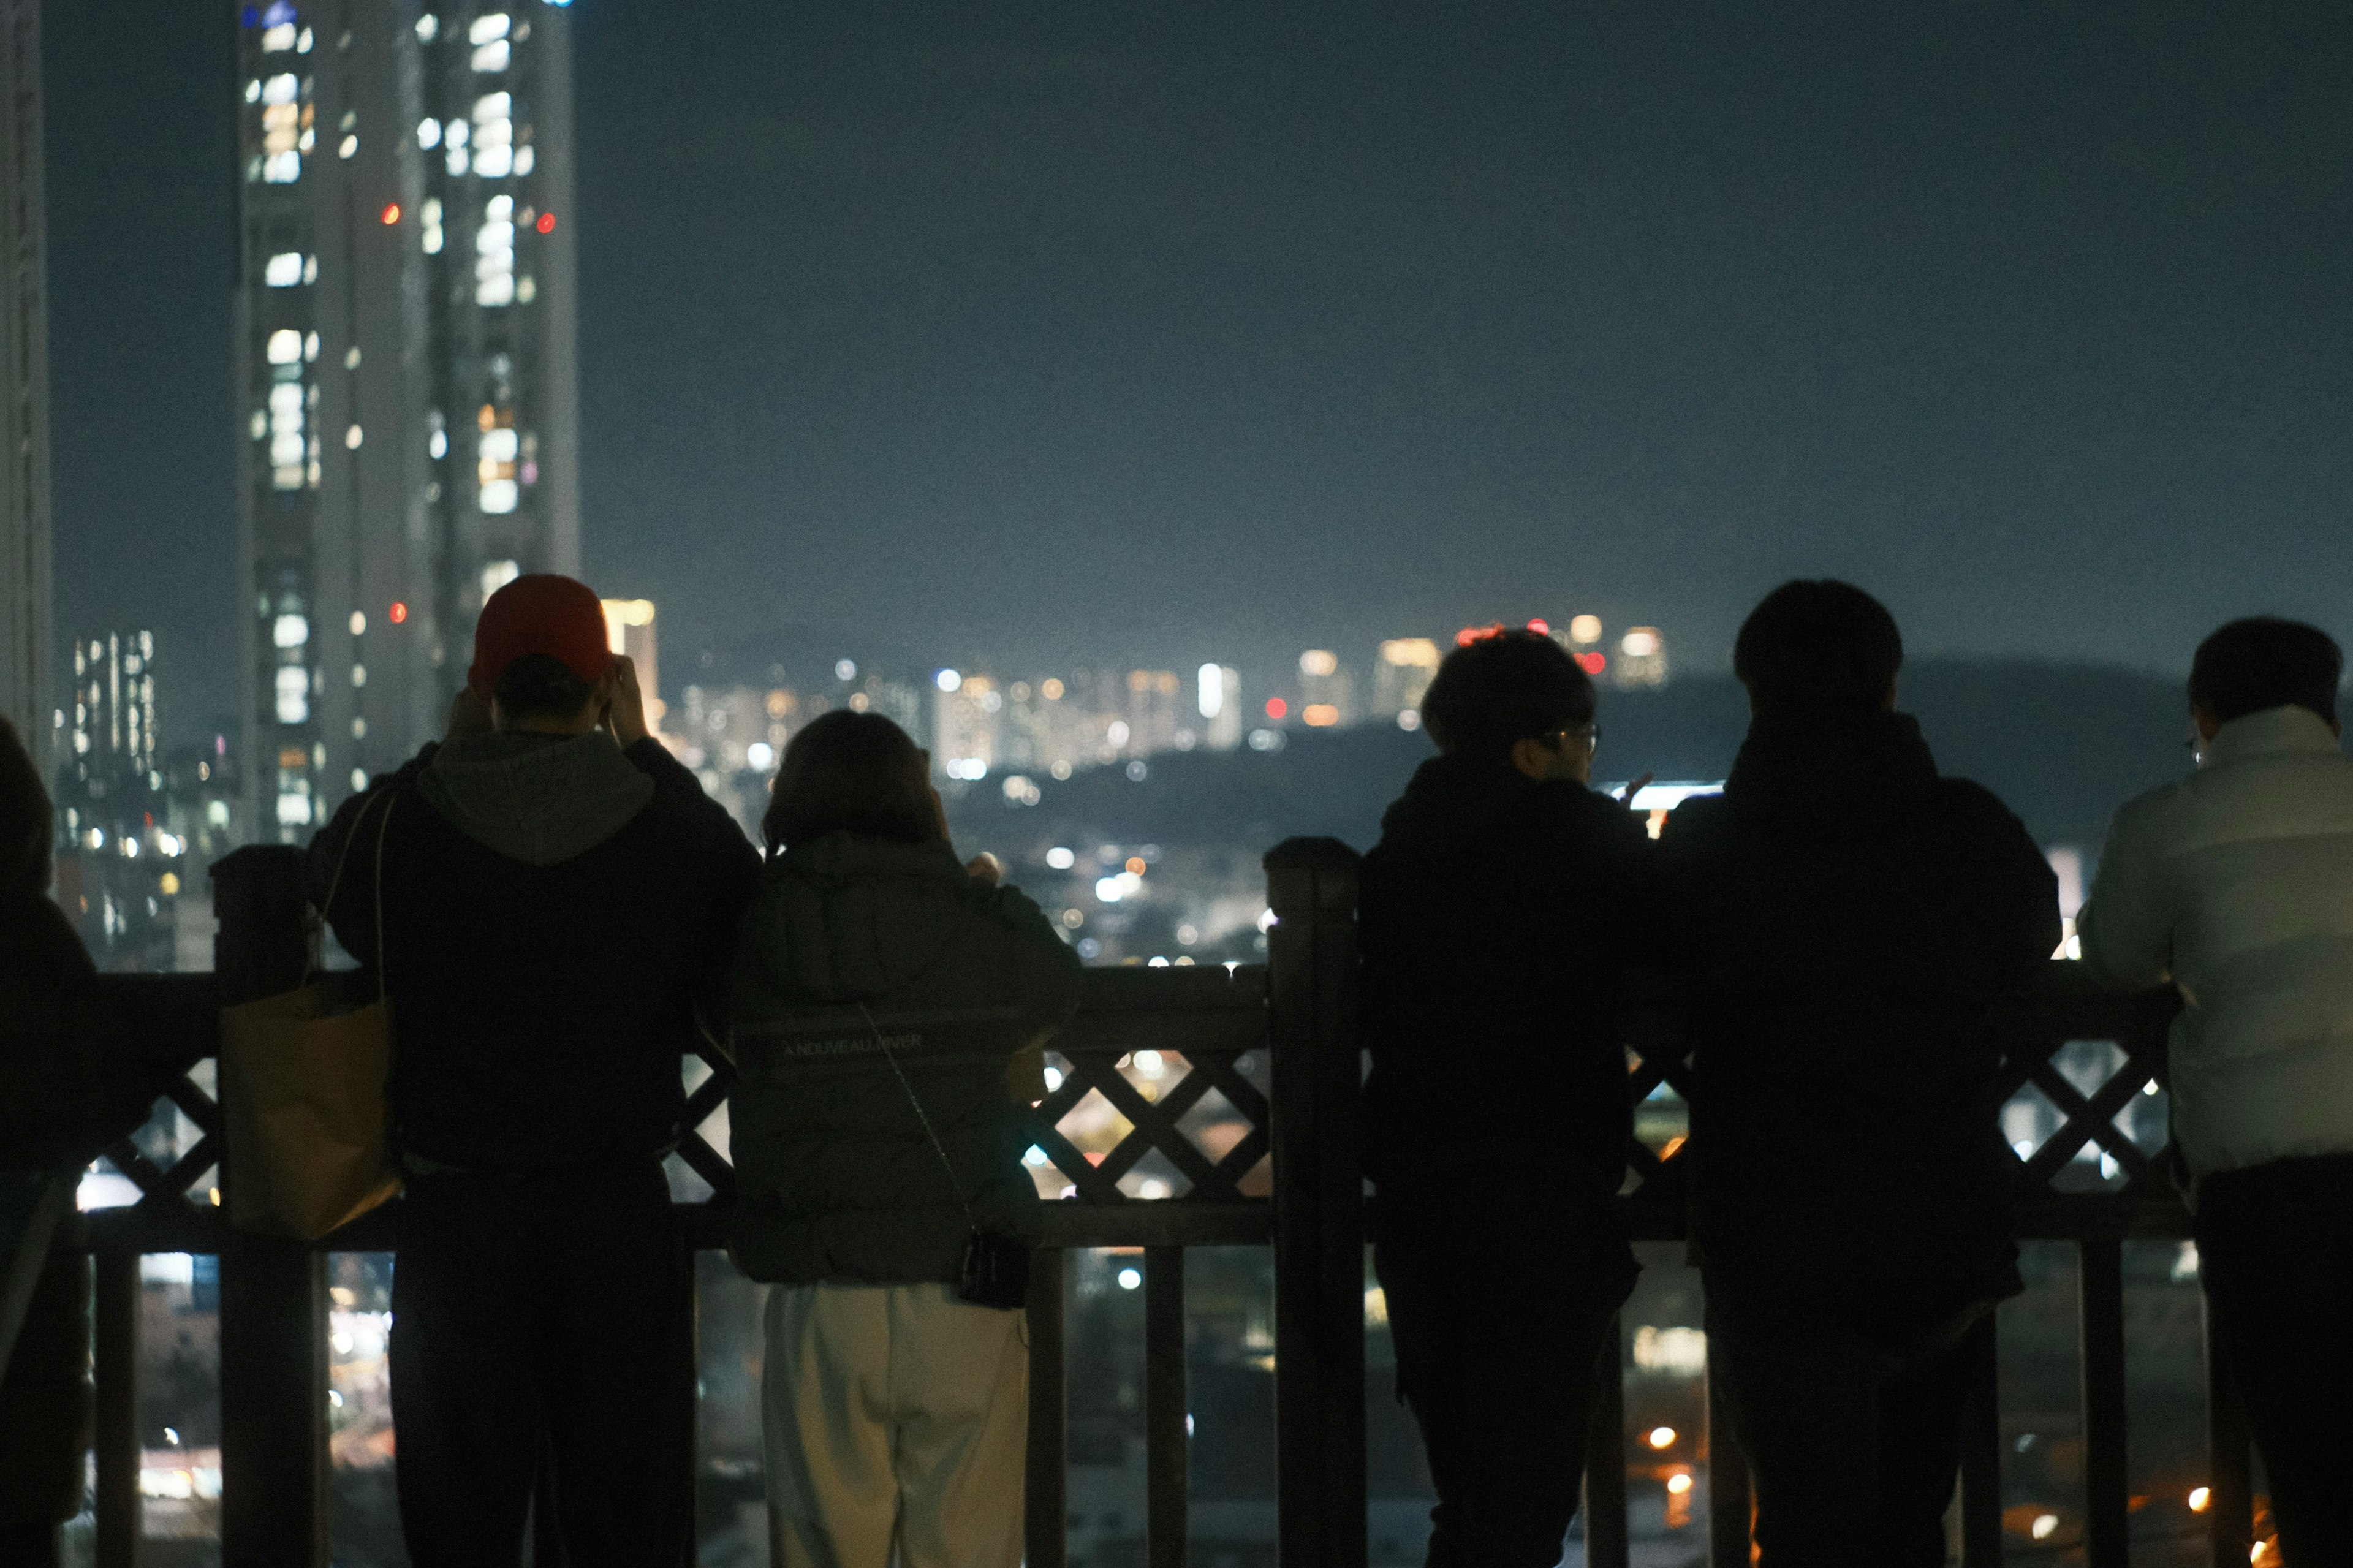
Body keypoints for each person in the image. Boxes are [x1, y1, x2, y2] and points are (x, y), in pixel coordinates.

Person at [308, 574, 760, 1566]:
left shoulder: (407, 826)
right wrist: (642, 749)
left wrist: (450, 744)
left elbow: (333, 871)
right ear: (603, 687)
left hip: (458, 1222)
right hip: (616, 1216)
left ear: (483, 686)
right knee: (623, 1516)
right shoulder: (665, 827)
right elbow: (741, 893)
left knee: (459, 1515)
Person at [1657, 581, 2058, 1568]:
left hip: (1774, 1222)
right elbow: (2031, 941)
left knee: (1804, 1520)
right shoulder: (1966, 829)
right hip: (1940, 1219)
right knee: (1912, 1515)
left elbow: (1662, 972)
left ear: (1753, 693)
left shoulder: (1710, 841)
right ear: (1890, 685)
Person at [726, 710, 1081, 1568]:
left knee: (820, 1547)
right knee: (969, 1546)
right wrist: (985, 885)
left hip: (821, 1288)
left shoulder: (751, 929)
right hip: (962, 1280)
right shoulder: (969, 923)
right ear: (921, 803)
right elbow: (1053, 986)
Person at [1355, 628, 1650, 1568]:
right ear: (1536, 749)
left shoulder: (1399, 853)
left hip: (1420, 1202)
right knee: (1522, 1502)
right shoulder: (1581, 840)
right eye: (1584, 741)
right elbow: (1676, 959)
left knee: (1475, 1496)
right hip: (1544, 1202)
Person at [2074, 616, 2353, 1566]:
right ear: (2328, 708)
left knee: (2312, 1460)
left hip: (2265, 1183)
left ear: (2205, 716)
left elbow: (2115, 958)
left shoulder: (2165, 822)